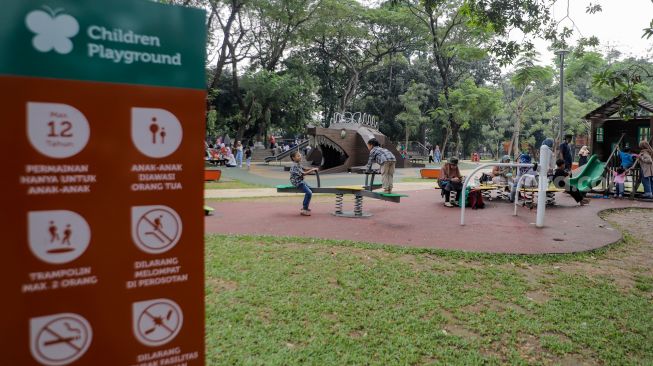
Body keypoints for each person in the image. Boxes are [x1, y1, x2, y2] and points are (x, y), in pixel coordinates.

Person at [290, 151, 317, 216]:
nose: (300, 157)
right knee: (309, 192)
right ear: (293, 158)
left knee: (310, 189)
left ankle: (305, 207)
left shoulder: (298, 163)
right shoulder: (294, 165)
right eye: (298, 156)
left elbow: (304, 169)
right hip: (297, 182)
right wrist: (312, 170)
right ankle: (304, 209)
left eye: (300, 155)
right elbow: (303, 173)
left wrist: (312, 168)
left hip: (300, 181)